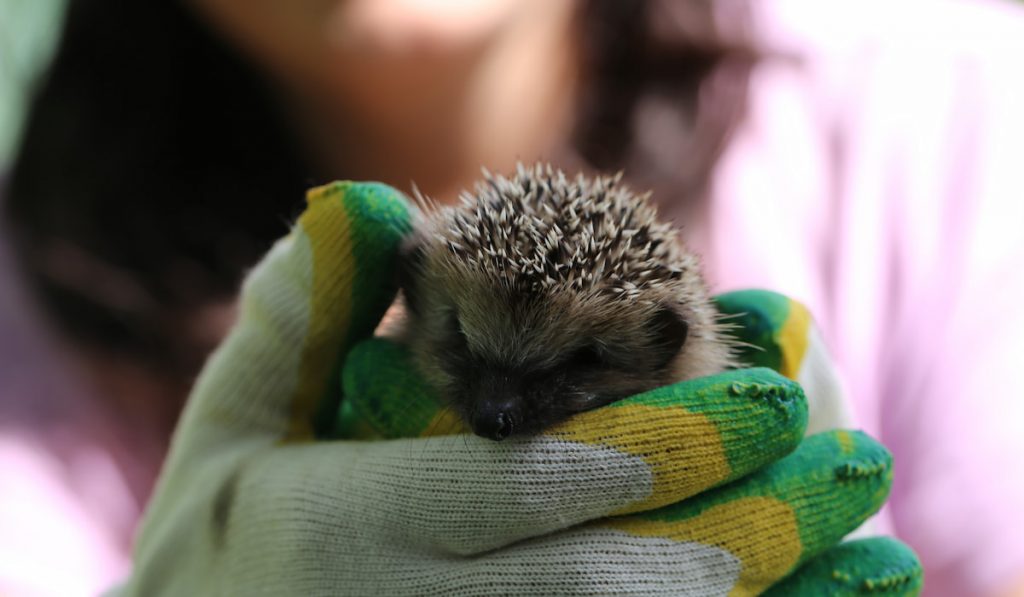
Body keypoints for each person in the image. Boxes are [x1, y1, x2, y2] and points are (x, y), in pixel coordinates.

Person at [1, 0, 1021, 594]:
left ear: (668, 343)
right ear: (410, 293)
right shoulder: (28, 323)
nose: (496, 407)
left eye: (569, 364)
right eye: (469, 353)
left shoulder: (941, 111)